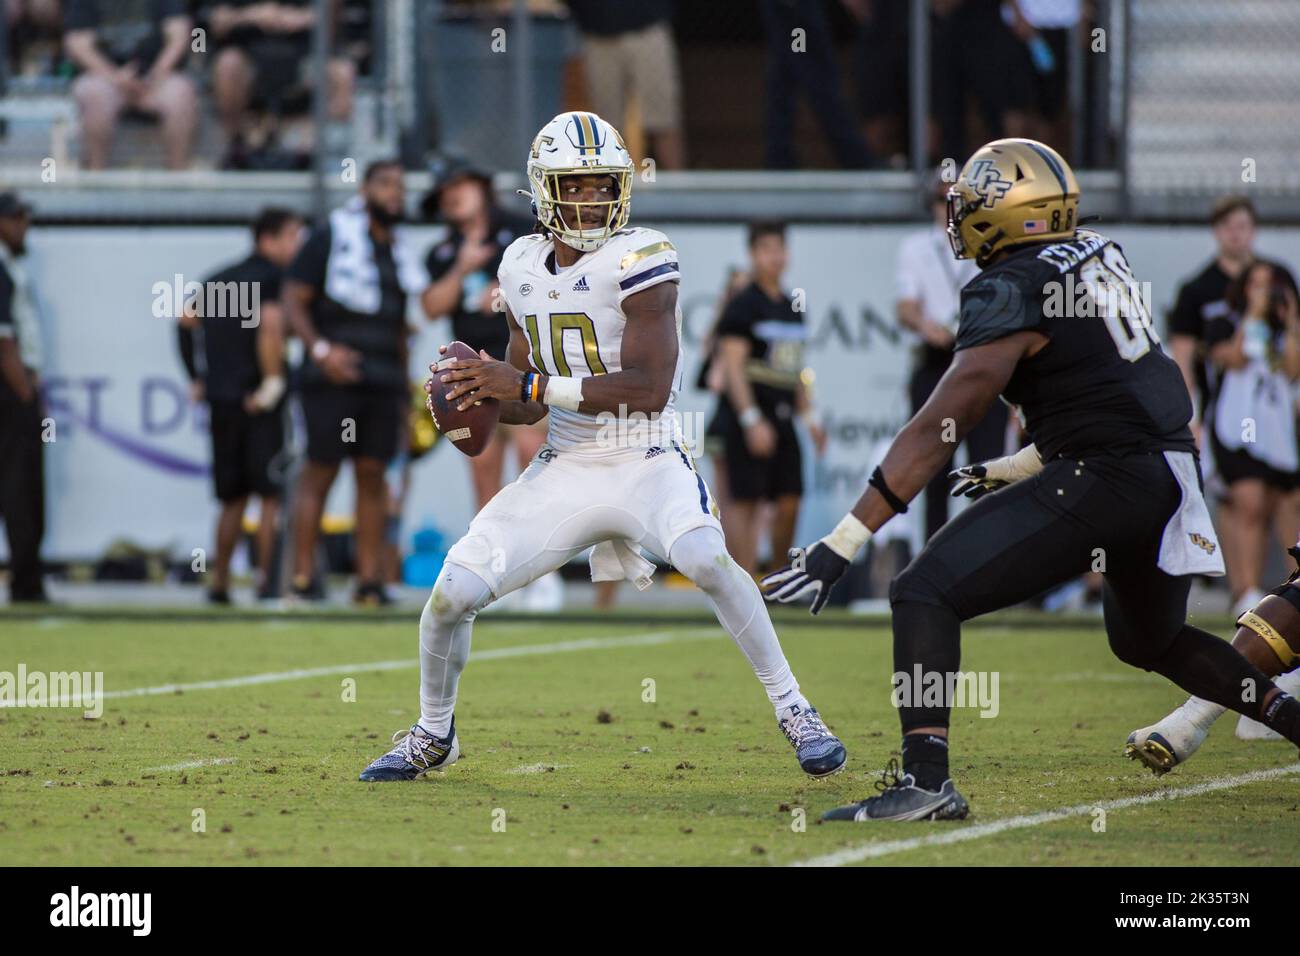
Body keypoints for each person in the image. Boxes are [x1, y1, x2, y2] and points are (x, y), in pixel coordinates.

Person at [763, 138, 1300, 822]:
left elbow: (941, 421)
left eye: (973, 205)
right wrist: (1021, 463)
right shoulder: (1098, 249)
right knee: (1149, 640)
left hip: (1109, 476)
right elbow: (1104, 380)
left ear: (1015, 213)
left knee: (922, 590)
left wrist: (843, 539)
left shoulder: (1009, 284)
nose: (958, 218)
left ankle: (927, 781)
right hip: (1166, 471)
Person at [358, 111, 845, 782]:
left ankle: (796, 710)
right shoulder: (520, 264)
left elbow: (647, 387)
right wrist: (483, 393)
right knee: (449, 595)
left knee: (706, 556)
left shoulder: (643, 256)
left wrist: (522, 380)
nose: (589, 199)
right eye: (575, 185)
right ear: (543, 190)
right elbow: (526, 394)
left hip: (645, 454)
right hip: (566, 463)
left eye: (600, 185)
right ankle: (433, 732)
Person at [283, 159, 426, 606]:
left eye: (400, 187)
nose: (395, 194)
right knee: (320, 470)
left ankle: (368, 581)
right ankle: (303, 577)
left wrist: (404, 388)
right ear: (364, 189)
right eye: (385, 185)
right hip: (333, 376)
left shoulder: (399, 251)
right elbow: (293, 297)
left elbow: (403, 325)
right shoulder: (330, 235)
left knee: (373, 474)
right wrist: (322, 351)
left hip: (382, 378)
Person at [178, 207, 304, 604]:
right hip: (258, 402)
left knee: (232, 498)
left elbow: (184, 321)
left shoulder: (219, 279)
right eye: (291, 237)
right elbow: (269, 325)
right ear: (268, 240)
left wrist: (196, 376)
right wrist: (272, 382)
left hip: (223, 400)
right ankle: (266, 583)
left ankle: (219, 585)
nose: (297, 246)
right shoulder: (275, 280)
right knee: (270, 495)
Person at [420, 157, 540, 510]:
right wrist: (463, 268)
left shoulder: (524, 231)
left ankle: (542, 560)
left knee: (531, 452)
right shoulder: (442, 252)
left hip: (521, 361)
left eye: (459, 186)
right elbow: (430, 307)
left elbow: (550, 284)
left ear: (482, 187)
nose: (452, 196)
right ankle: (493, 556)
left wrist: (508, 293)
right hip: (471, 372)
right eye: (444, 192)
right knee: (482, 463)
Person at [713, 222, 825, 575]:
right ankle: (744, 585)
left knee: (791, 498)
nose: (775, 257)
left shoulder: (792, 305)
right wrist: (750, 419)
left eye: (780, 249)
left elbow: (796, 372)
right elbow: (732, 367)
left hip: (783, 416)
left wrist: (810, 419)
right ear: (753, 254)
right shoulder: (743, 305)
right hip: (749, 417)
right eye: (767, 249)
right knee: (746, 502)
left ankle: (777, 579)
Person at [896, 171, 1001, 540]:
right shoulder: (915, 248)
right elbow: (905, 306)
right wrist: (928, 327)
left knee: (985, 468)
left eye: (958, 200)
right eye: (943, 200)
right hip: (938, 360)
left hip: (983, 361)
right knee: (934, 468)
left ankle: (982, 558)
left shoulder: (990, 243)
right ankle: (936, 561)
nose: (950, 209)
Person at [1205, 263, 1300, 615]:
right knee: (1249, 501)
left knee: (1288, 505)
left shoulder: (1285, 329)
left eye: (1270, 285)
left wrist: (1289, 322)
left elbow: (1292, 371)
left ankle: (1291, 598)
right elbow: (1234, 357)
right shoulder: (1225, 322)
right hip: (1238, 428)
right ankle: (1245, 591)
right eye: (1256, 284)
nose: (1264, 291)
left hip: (1278, 436)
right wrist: (1254, 316)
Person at [207, 0, 356, 169]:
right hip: (248, 57)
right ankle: (235, 147)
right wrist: (253, 15)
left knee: (342, 72)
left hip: (305, 56)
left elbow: (330, 27)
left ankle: (330, 157)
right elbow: (216, 24)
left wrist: (294, 18)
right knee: (228, 64)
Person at [63, 0, 197, 169]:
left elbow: (179, 36)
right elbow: (78, 44)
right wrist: (116, 78)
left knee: (181, 93)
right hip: (106, 79)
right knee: (94, 93)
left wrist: (154, 76)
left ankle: (179, 179)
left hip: (157, 78)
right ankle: (95, 179)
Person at [562, 0, 685, 170]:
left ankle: (677, 188)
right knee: (607, 129)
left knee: (662, 120)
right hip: (597, 33)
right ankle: (614, 190)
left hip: (647, 28)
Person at [0, 192, 47, 604]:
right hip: (8, 394)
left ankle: (27, 579)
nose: (23, 226)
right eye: (16, 219)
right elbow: (4, 341)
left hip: (15, 387)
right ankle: (26, 582)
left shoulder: (10, 266)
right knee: (19, 487)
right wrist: (26, 395)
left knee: (22, 487)